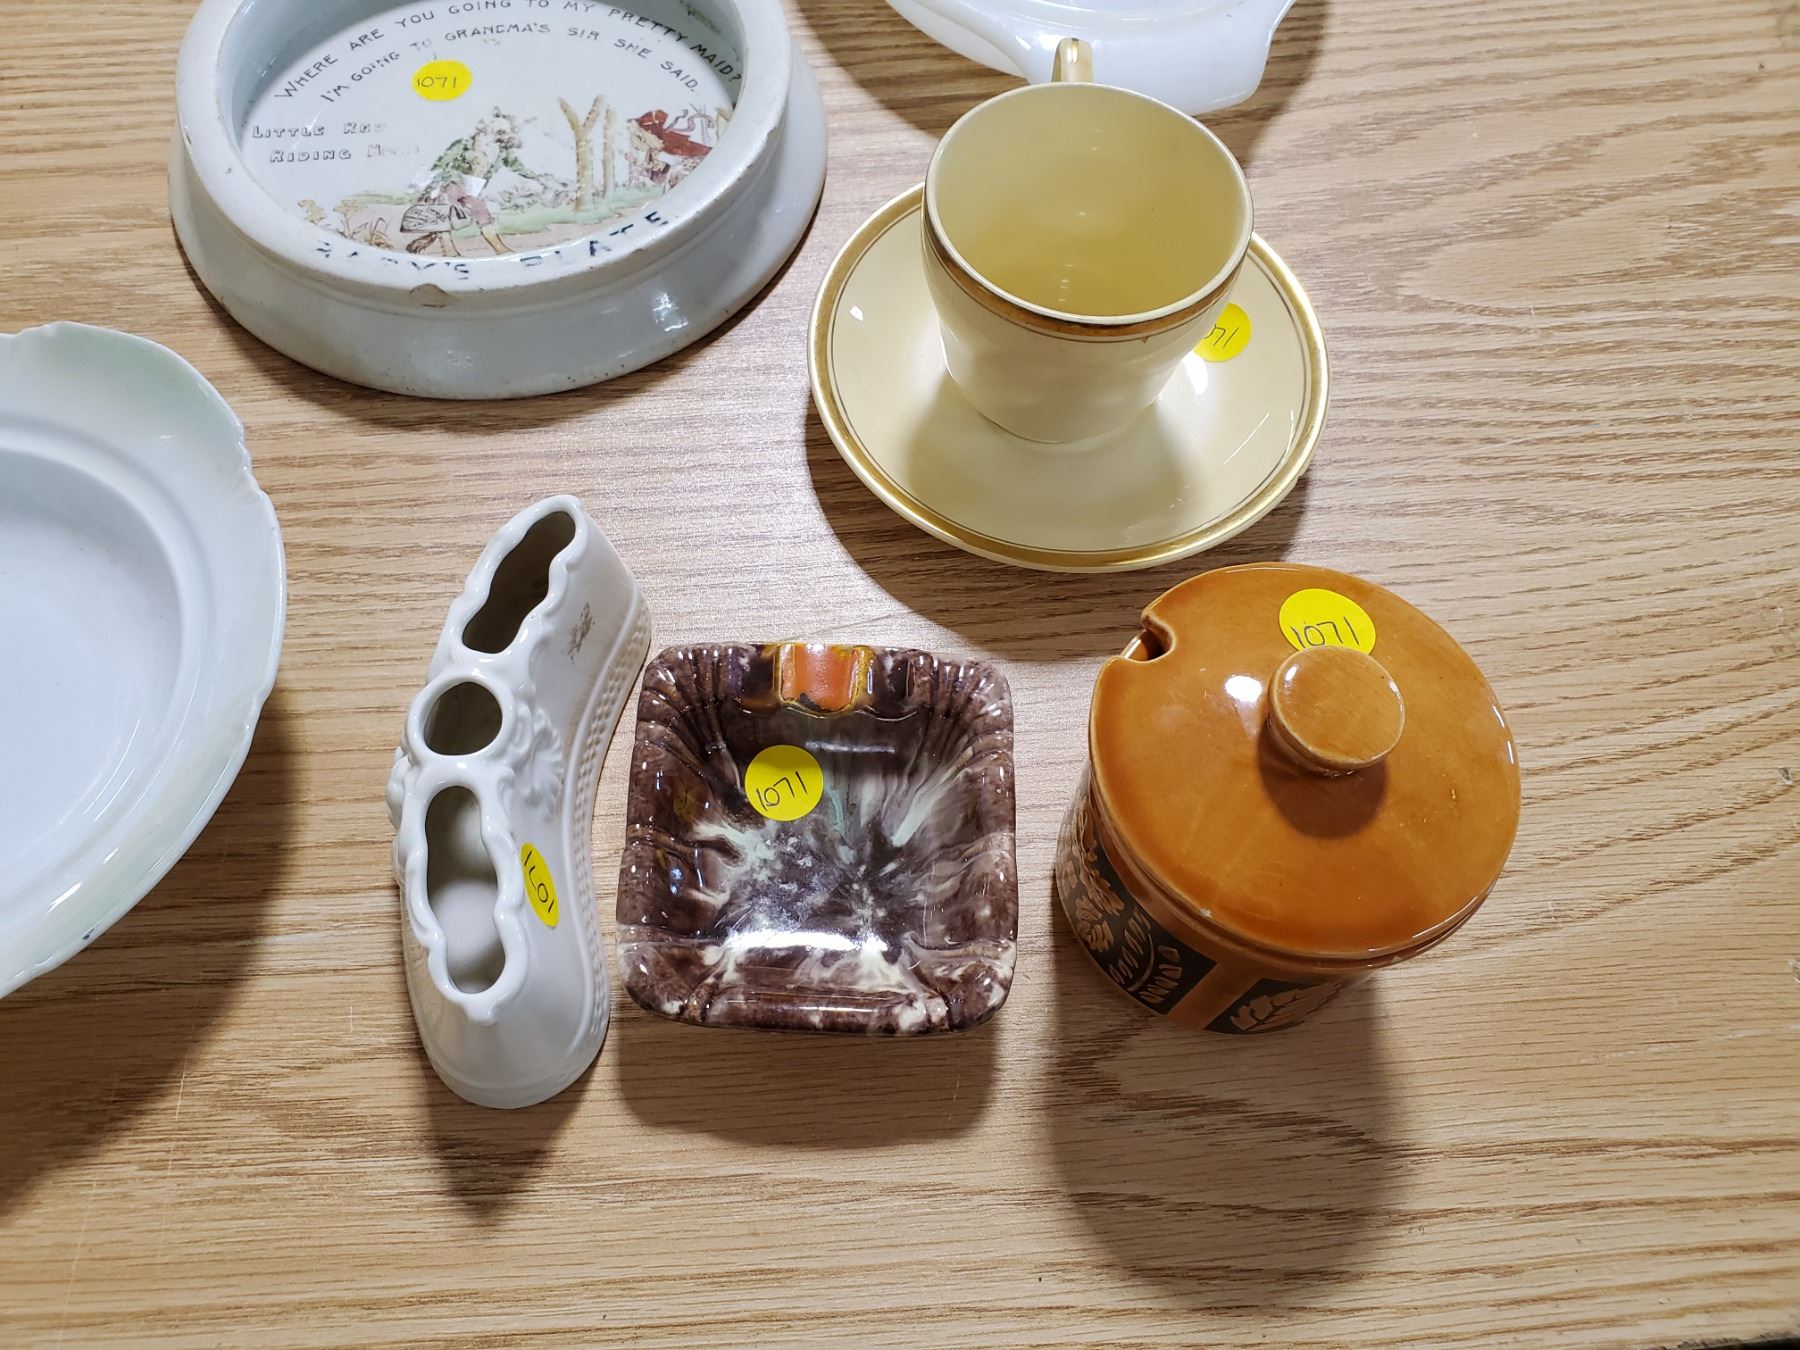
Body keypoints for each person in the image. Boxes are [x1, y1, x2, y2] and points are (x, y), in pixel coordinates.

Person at [402, 111, 557, 256]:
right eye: (499, 129)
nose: (502, 134)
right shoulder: (464, 144)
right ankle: (450, 251)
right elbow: (442, 163)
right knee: (445, 213)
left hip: (473, 189)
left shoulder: (501, 151)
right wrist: (427, 185)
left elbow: (517, 166)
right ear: (486, 127)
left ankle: (500, 249)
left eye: (504, 131)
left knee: (482, 214)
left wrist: (537, 177)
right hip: (453, 182)